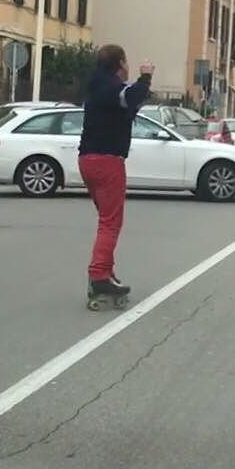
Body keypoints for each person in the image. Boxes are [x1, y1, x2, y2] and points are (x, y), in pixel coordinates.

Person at [78, 45, 154, 303]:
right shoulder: (112, 89)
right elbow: (130, 97)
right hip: (107, 161)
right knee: (110, 222)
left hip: (87, 159)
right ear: (120, 64)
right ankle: (99, 275)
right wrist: (146, 76)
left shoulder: (96, 87)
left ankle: (106, 273)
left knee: (106, 221)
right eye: (127, 63)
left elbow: (126, 107)